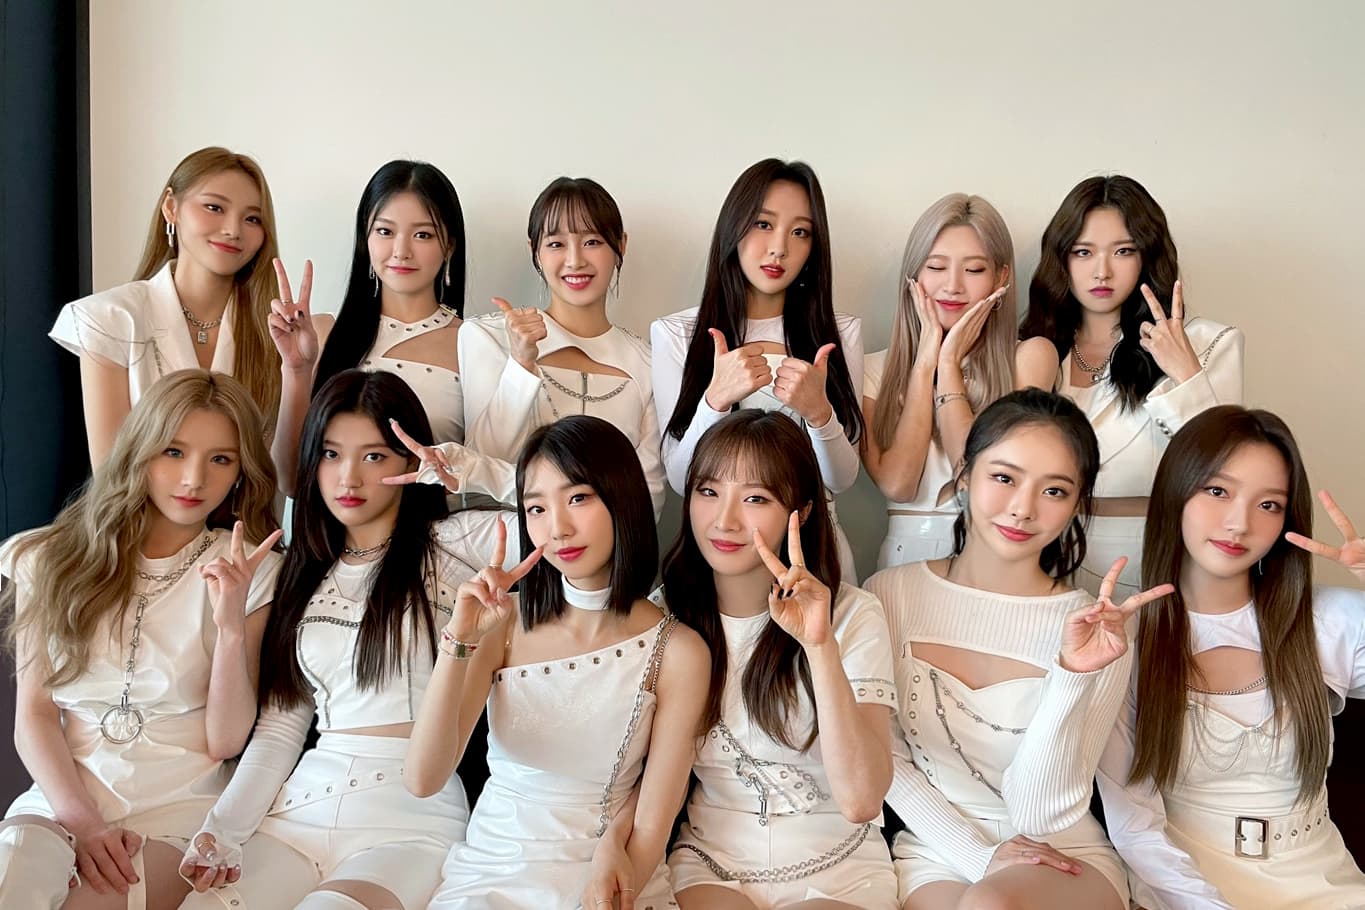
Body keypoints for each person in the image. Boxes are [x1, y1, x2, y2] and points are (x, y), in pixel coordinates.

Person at [866, 389, 1172, 910]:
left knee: (991, 905)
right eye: (1004, 478)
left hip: (1064, 854)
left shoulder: (1098, 628)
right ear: (965, 474)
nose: (1023, 509)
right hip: (938, 847)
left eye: (1054, 491)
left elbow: (1040, 815)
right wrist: (979, 858)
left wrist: (1072, 674)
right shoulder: (889, 595)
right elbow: (885, 761)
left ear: (1077, 504)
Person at [0, 370, 281, 909]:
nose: (194, 478)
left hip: (177, 810)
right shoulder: (48, 557)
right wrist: (84, 824)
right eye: (173, 451)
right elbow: (33, 717)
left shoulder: (251, 570)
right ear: (140, 450)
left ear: (241, 472)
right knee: (13, 872)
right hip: (61, 803)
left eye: (221, 459)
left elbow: (225, 742)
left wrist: (229, 629)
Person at [408, 416, 709, 909]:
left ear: (622, 498)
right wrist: (458, 641)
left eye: (579, 498)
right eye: (536, 508)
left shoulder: (677, 650)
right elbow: (422, 779)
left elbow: (653, 824)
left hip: (607, 876)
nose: (558, 528)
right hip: (489, 875)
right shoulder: (501, 623)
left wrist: (611, 874)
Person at [1097, 406, 1365, 909]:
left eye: (1269, 504)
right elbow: (1135, 827)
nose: (1240, 523)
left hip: (1326, 887)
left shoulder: (1328, 620)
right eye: (1218, 491)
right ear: (1177, 492)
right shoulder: (1123, 638)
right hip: (1192, 890)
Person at [662, 409, 899, 909]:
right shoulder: (665, 616)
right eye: (708, 491)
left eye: (755, 498)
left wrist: (819, 646)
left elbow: (861, 800)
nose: (724, 521)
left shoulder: (854, 614)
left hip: (841, 866)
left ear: (803, 511)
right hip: (710, 861)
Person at [1019, 175, 1244, 597]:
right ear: (1061, 260)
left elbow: (1228, 473)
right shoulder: (1034, 350)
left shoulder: (1206, 342)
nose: (1101, 271)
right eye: (1083, 252)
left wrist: (1186, 376)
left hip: (1151, 562)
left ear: (1147, 256)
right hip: (1040, 562)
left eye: (1123, 251)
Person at [653, 158, 865, 576]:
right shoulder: (677, 333)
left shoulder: (840, 332)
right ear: (733, 227)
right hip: (723, 545)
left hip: (814, 551)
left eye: (800, 232)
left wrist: (819, 414)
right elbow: (681, 480)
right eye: (763, 224)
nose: (779, 248)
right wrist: (714, 401)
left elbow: (840, 480)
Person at [50, 148, 283, 465]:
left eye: (252, 218)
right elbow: (111, 472)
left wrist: (298, 370)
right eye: (214, 207)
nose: (233, 230)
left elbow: (285, 474)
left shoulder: (278, 332)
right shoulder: (112, 318)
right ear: (171, 207)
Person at [862, 193, 1056, 570]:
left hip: (993, 560)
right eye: (936, 266)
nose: (952, 286)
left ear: (1001, 277)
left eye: (974, 270)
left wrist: (949, 362)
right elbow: (899, 485)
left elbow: (971, 473)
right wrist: (925, 363)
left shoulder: (1031, 357)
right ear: (913, 276)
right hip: (901, 562)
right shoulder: (871, 368)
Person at [459, 176, 666, 516]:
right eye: (556, 244)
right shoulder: (487, 336)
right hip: (506, 544)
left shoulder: (648, 362)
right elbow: (480, 469)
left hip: (613, 549)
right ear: (535, 251)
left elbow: (648, 497)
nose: (575, 260)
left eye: (592, 241)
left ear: (621, 245)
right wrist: (521, 364)